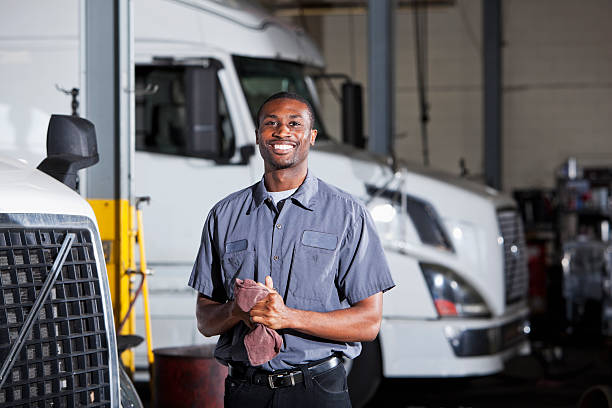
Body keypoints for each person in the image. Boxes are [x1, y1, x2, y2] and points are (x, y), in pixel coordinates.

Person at [188, 92, 395, 407]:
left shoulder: (348, 215)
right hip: (246, 391)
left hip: (317, 389)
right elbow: (205, 320)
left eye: (294, 124)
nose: (282, 132)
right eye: (271, 123)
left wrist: (288, 317)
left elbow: (368, 322)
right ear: (258, 136)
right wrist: (236, 311)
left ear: (311, 137)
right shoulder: (224, 215)